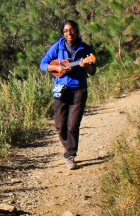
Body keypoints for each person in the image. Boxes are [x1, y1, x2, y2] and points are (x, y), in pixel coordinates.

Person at [39, 20, 96, 170]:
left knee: (73, 125)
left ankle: (70, 155)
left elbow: (93, 71)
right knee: (60, 125)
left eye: (71, 30)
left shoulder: (85, 49)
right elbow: (43, 64)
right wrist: (56, 67)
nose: (68, 33)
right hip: (61, 90)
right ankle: (68, 147)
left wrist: (87, 65)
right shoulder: (58, 46)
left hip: (79, 90)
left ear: (76, 31)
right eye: (65, 31)